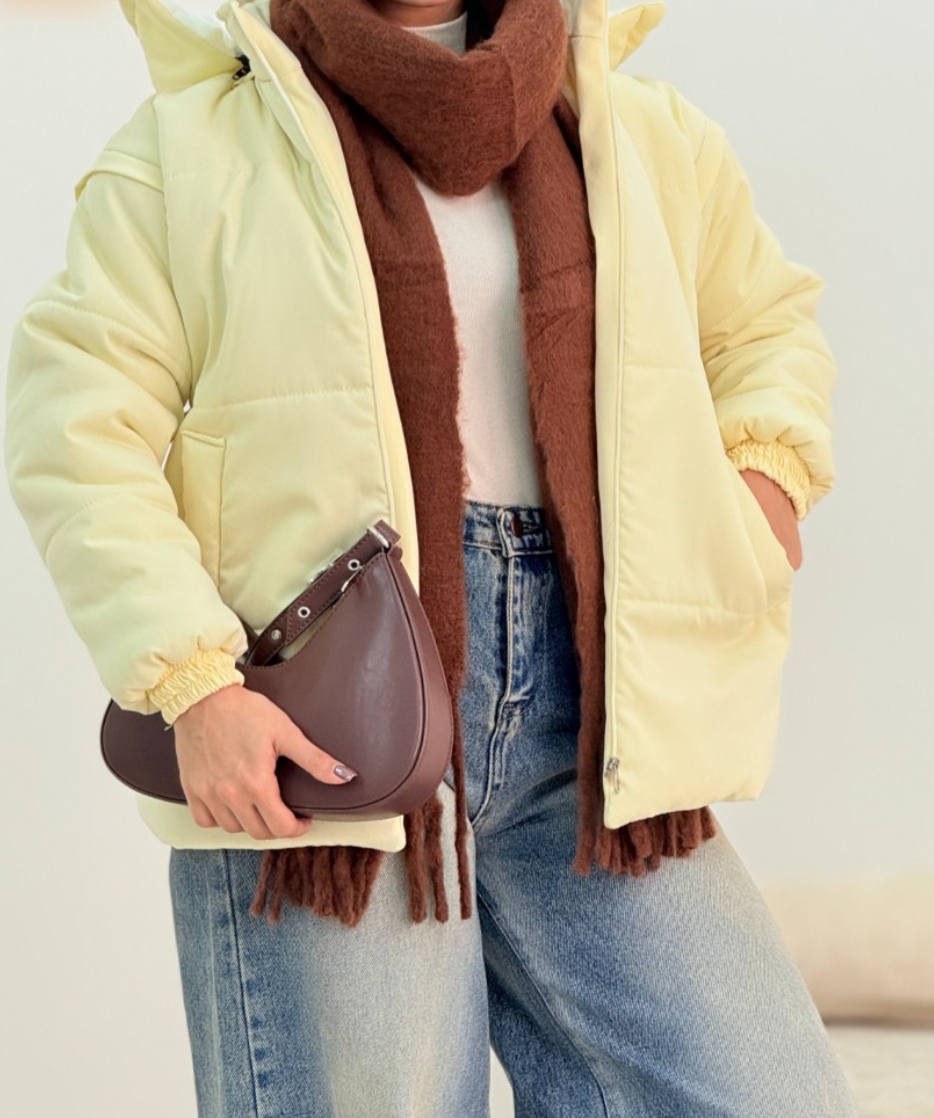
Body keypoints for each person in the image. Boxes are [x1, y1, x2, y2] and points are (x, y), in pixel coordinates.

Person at [4, 0, 859, 1113]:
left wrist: (764, 477)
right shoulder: (196, 143)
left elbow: (763, 324)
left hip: (599, 725)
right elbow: (75, 424)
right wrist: (194, 683)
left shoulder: (632, 127)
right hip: (330, 731)